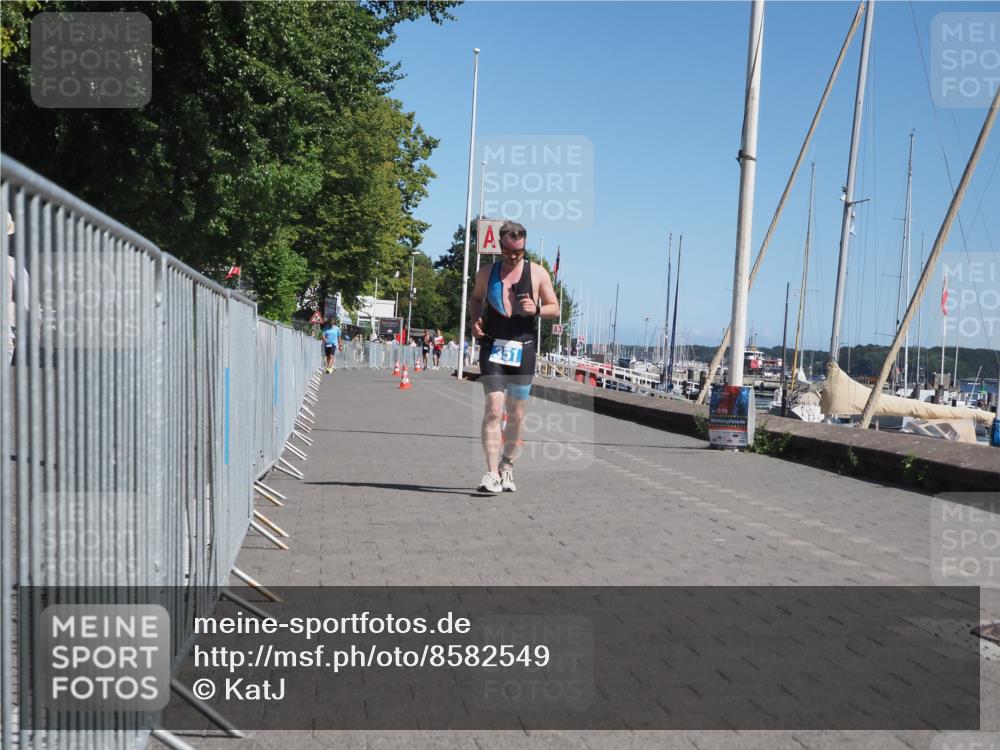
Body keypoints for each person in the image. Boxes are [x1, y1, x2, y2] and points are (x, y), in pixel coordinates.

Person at [468, 221, 559, 494]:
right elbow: (475, 299)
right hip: (493, 347)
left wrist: (537, 309)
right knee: (493, 410)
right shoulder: (486, 273)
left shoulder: (538, 273)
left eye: (518, 252)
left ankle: (507, 466)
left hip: (524, 349)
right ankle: (491, 473)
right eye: (508, 251)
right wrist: (475, 321)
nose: (513, 256)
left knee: (516, 416)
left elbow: (555, 308)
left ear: (524, 247)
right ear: (499, 246)